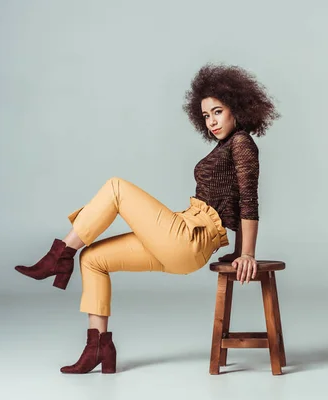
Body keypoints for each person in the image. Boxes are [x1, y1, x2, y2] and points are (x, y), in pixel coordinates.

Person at [14, 63, 280, 374]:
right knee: (93, 259)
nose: (211, 122)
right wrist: (236, 251)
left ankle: (60, 254)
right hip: (182, 239)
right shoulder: (225, 146)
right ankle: (99, 348)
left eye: (218, 112)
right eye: (206, 115)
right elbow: (233, 201)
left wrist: (247, 252)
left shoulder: (242, 143)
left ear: (236, 106)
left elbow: (249, 200)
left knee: (116, 188)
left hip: (190, 237)